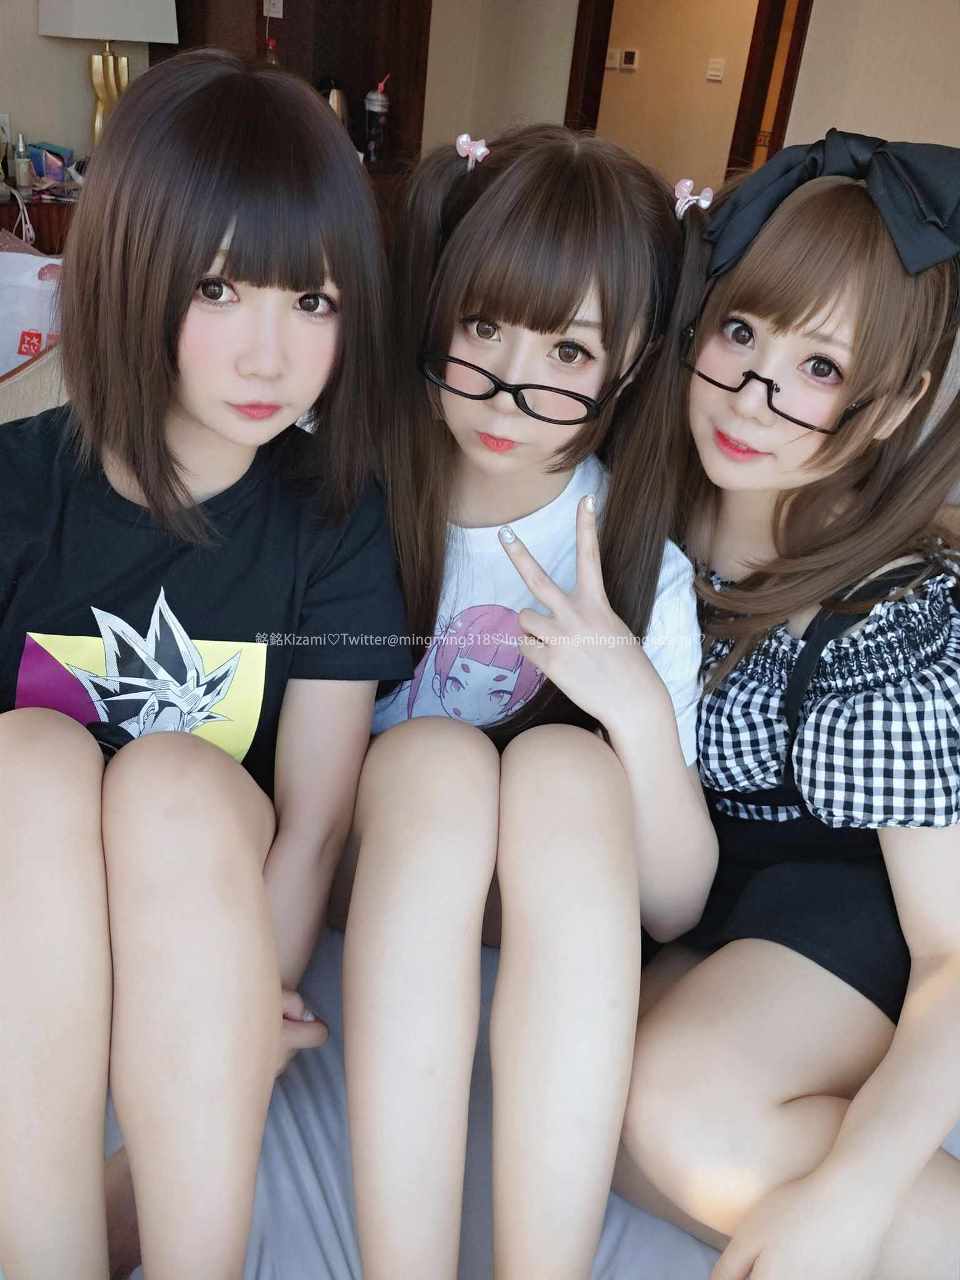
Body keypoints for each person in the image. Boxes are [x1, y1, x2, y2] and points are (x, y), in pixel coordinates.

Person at [0, 49, 409, 1280]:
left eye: (314, 301)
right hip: (35, 914)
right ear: (132, 270)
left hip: (207, 914)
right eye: (221, 289)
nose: (271, 358)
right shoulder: (16, 490)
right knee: (29, 754)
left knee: (173, 780)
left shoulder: (336, 517)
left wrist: (244, 1007)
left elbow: (315, 826)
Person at [341, 125, 718, 1279]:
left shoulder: (635, 556)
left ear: (631, 359)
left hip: (552, 890)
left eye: (567, 348)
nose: (510, 385)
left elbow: (675, 904)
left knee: (565, 766)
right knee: (438, 760)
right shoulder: (354, 491)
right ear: (438, 310)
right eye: (484, 326)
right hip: (383, 862)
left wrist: (634, 707)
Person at [612, 130, 960, 1280]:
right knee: (583, 1097)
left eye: (819, 366)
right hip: (704, 899)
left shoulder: (885, 615)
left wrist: (848, 1199)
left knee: (685, 1116)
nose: (753, 397)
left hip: (860, 903)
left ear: (892, 403)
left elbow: (955, 951)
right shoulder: (640, 510)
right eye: (742, 332)